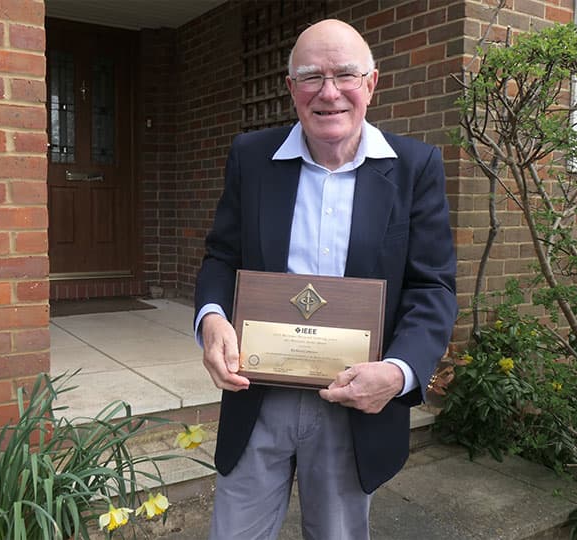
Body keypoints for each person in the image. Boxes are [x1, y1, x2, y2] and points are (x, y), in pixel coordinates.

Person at [194, 18, 457, 540]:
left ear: (372, 83)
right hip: (258, 392)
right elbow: (221, 255)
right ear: (292, 88)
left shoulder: (414, 167)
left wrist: (400, 372)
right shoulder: (252, 157)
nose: (329, 92)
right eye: (311, 76)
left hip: (353, 404)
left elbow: (432, 287)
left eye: (345, 76)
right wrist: (212, 318)